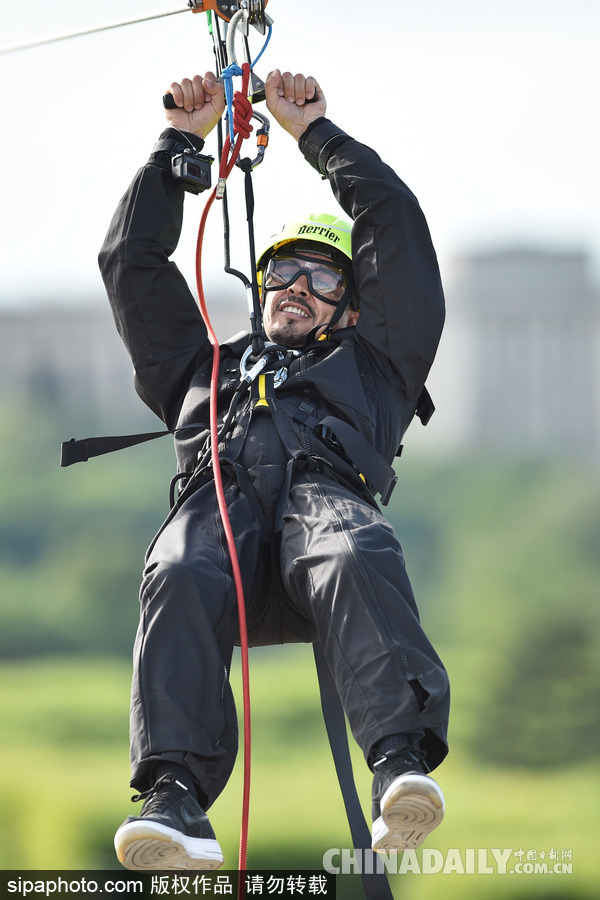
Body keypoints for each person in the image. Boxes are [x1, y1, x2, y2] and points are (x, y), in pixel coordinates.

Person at [99, 66, 450, 871]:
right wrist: (178, 148)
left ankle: (398, 762)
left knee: (352, 547)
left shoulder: (378, 366)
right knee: (177, 564)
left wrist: (315, 135)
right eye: (280, 274)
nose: (294, 287)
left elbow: (394, 224)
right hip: (217, 531)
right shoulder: (199, 369)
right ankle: (174, 799)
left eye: (320, 276)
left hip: (321, 522)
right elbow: (130, 261)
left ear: (352, 308)